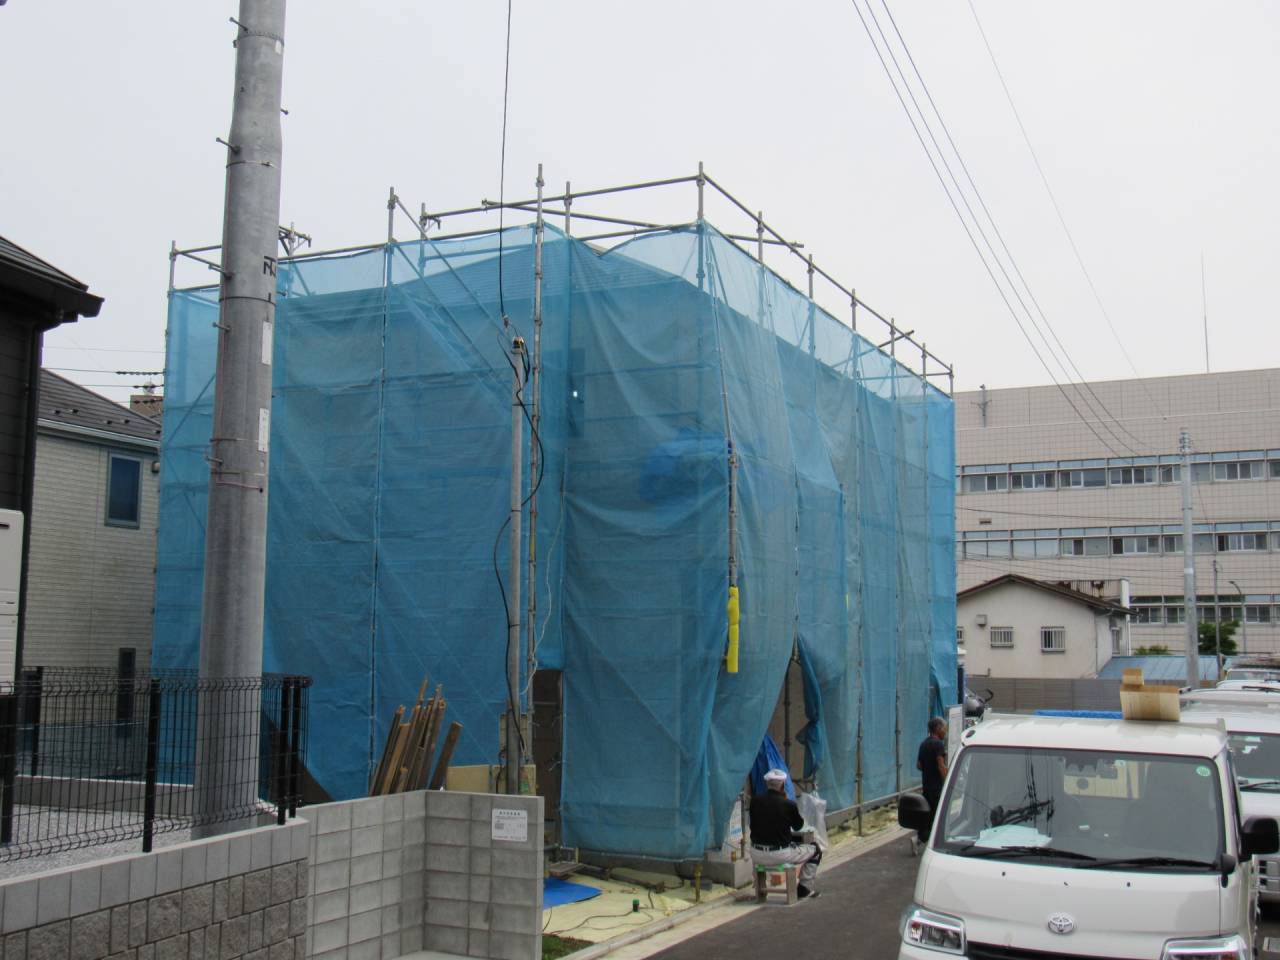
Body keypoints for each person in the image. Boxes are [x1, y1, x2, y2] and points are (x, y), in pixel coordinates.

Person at [749, 768, 822, 899]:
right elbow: (798, 826)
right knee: (816, 850)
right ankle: (804, 889)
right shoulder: (788, 804)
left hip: (756, 854)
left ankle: (761, 890)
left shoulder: (754, 801)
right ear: (783, 785)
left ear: (767, 784)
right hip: (780, 854)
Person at [912, 716, 948, 855]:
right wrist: (948, 782)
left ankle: (919, 839)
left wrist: (928, 768)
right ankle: (925, 840)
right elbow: (941, 766)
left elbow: (919, 765)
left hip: (926, 786)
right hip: (937, 788)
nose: (945, 731)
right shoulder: (938, 744)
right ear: (938, 728)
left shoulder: (924, 744)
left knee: (928, 815)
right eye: (944, 728)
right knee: (939, 817)